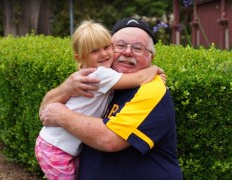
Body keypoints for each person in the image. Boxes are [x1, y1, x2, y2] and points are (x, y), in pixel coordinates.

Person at [39, 18, 183, 179]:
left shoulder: (151, 89)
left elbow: (109, 140)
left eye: (138, 48)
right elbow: (44, 112)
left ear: (151, 57)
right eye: (120, 45)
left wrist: (61, 115)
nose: (127, 52)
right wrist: (65, 89)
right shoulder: (99, 79)